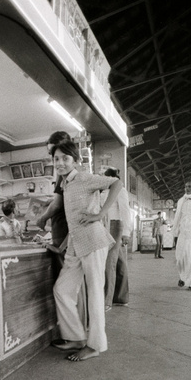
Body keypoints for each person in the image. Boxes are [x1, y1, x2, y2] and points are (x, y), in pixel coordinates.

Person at [50, 141, 122, 362]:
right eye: (56, 159)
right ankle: (75, 337)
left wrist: (100, 214)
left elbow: (117, 183)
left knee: (94, 294)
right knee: (62, 290)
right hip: (75, 246)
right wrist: (61, 246)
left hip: (93, 242)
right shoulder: (64, 184)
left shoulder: (83, 178)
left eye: (65, 158)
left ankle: (95, 345)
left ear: (75, 161)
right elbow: (73, 220)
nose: (60, 162)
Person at [101, 167, 131, 311]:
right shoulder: (104, 191)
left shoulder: (119, 190)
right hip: (106, 225)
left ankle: (107, 301)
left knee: (109, 262)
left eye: (104, 176)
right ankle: (121, 297)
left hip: (115, 225)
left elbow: (125, 211)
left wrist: (126, 232)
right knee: (119, 262)